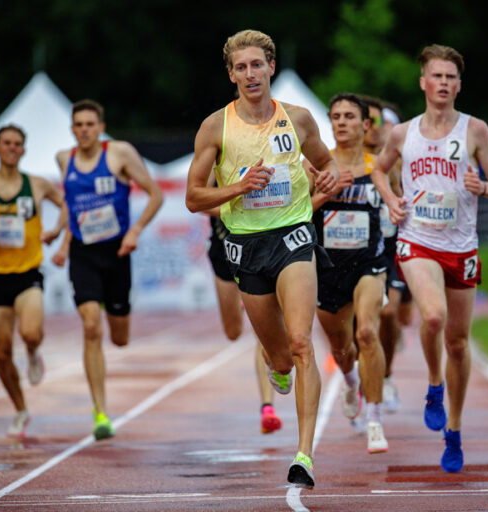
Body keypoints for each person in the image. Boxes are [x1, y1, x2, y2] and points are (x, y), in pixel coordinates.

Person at [185, 29, 338, 488]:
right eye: (241, 67)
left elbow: (325, 163)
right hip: (245, 247)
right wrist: (239, 187)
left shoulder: (300, 119)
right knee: (280, 357)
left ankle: (304, 455)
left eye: (257, 65)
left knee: (301, 342)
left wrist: (326, 183)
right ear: (231, 74)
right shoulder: (216, 126)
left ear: (271, 67)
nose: (250, 74)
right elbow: (194, 197)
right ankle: (277, 368)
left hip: (293, 236)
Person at [372, 44, 488, 473]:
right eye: (437, 76)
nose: (444, 83)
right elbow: (378, 168)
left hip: (462, 246)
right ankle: (434, 384)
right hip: (417, 241)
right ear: (423, 82)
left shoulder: (475, 131)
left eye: (451, 77)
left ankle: (454, 428)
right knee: (432, 317)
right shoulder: (402, 133)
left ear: (459, 84)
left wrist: (483, 187)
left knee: (459, 342)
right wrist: (392, 198)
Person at [52, 100, 163, 440]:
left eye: (89, 124)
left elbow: (155, 195)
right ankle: (100, 411)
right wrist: (63, 242)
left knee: (120, 338)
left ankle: (106, 305)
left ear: (101, 127)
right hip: (83, 255)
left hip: (116, 254)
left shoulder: (119, 154)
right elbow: (71, 205)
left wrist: (135, 231)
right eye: (78, 124)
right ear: (72, 129)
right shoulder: (64, 159)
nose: (83, 130)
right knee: (90, 328)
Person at [0, 124, 64, 437]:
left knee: (30, 333)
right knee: (2, 354)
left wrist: (57, 232)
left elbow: (67, 206)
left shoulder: (37, 185)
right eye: (6, 142)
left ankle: (33, 351)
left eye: (18, 143)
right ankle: (20, 409)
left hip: (28, 273)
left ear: (23, 150)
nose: (12, 148)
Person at [307, 93, 389, 454]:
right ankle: (351, 381)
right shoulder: (316, 167)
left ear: (365, 125)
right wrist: (328, 192)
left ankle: (375, 419)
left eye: (349, 116)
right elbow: (299, 212)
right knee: (342, 349)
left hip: (369, 262)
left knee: (368, 331)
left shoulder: (381, 166)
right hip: (327, 266)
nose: (341, 122)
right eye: (336, 116)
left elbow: (399, 200)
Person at [203, 181, 282, 435]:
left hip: (261, 246)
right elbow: (200, 200)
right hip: (224, 247)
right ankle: (242, 301)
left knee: (265, 331)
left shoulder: (267, 146)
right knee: (233, 332)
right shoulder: (216, 147)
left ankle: (267, 407)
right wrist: (239, 204)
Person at [360, 95, 413, 414]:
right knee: (360, 326)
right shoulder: (342, 158)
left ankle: (387, 372)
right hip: (353, 250)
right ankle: (359, 379)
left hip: (390, 246)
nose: (380, 129)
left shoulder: (395, 159)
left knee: (394, 316)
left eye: (385, 123)